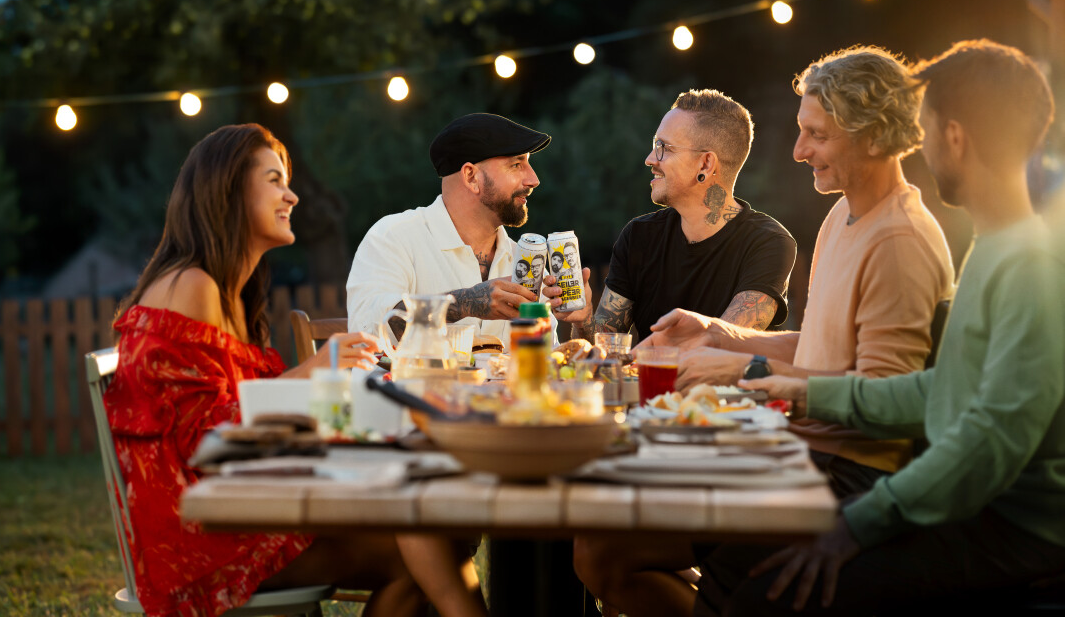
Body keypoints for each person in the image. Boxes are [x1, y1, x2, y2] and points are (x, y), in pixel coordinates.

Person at [575, 49, 953, 617]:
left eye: (816, 135)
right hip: (801, 454)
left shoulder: (898, 240)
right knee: (604, 551)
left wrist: (744, 370)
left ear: (872, 137)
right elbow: (821, 345)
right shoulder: (844, 215)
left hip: (846, 480)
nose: (799, 152)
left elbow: (885, 403)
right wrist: (720, 335)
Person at [701, 39, 1065, 615]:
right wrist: (806, 391)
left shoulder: (1032, 264)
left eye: (929, 126)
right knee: (739, 574)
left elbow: (989, 442)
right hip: (972, 505)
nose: (919, 144)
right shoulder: (994, 246)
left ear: (954, 137)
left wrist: (858, 523)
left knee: (760, 596)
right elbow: (944, 390)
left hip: (1014, 529)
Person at [103, 124, 487, 617]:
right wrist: (313, 372)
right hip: (199, 541)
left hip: (240, 505)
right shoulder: (191, 286)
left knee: (432, 538)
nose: (292, 195)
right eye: (273, 181)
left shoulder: (226, 291)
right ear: (228, 192)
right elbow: (203, 438)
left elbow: (235, 411)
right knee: (425, 549)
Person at [567, 88, 796, 346]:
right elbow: (601, 352)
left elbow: (724, 345)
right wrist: (583, 319)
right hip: (650, 384)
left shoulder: (768, 243)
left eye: (664, 148)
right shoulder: (639, 236)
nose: (650, 159)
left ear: (705, 164)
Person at [347, 112, 566, 348]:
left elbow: (546, 357)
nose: (534, 179)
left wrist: (580, 323)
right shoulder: (393, 237)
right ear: (471, 176)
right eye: (516, 164)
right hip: (412, 386)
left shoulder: (523, 259)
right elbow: (367, 335)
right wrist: (464, 302)